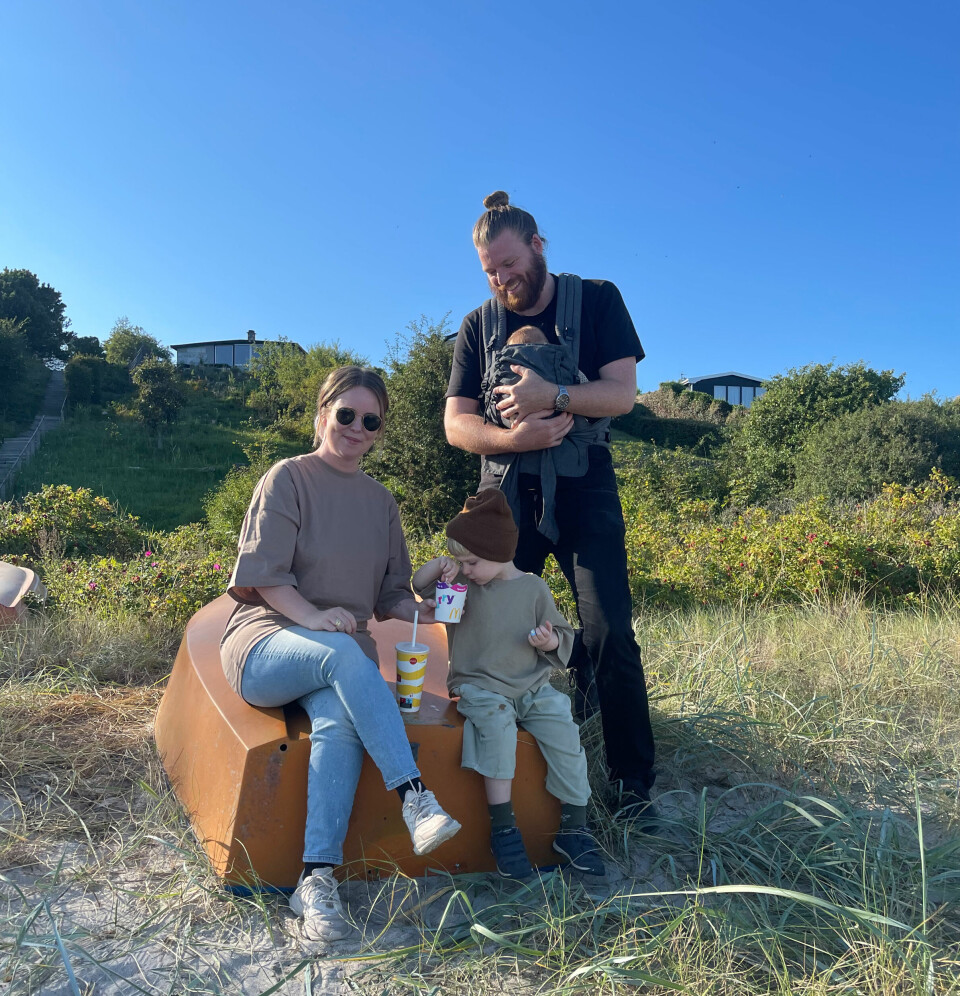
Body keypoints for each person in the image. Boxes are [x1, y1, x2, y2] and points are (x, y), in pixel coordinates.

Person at [220, 366, 461, 943]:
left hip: (338, 659)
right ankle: (414, 796)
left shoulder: (382, 504)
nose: (356, 427)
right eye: (346, 414)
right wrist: (312, 617)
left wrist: (424, 612)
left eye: (369, 420)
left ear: (379, 432)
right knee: (343, 655)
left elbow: (390, 596)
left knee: (339, 724)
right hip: (266, 643)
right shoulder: (287, 478)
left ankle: (315, 879)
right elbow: (263, 575)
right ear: (322, 414)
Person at [444, 190, 657, 824]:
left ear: (539, 246)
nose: (502, 280)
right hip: (502, 491)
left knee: (609, 629)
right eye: (490, 272)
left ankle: (633, 783)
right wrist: (516, 436)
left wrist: (552, 394)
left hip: (585, 483)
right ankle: (480, 769)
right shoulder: (478, 326)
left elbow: (621, 396)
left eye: (510, 265)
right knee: (476, 624)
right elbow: (457, 425)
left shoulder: (597, 299)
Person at [412, 490, 605, 878]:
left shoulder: (533, 588)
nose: (466, 569)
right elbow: (419, 584)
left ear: (500, 551)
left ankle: (574, 828)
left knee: (565, 733)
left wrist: (549, 641)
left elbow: (563, 635)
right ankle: (504, 828)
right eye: (461, 561)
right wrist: (441, 565)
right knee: (497, 728)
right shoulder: (461, 588)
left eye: (472, 561)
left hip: (531, 687)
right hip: (477, 684)